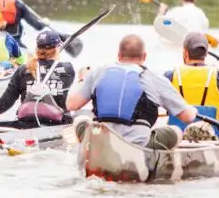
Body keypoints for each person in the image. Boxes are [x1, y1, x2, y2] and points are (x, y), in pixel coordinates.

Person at [66, 34, 198, 150]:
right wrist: (193, 110)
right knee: (175, 131)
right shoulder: (155, 78)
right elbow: (187, 117)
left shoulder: (98, 72)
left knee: (81, 120)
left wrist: (82, 79)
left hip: (100, 138)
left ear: (119, 56)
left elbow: (71, 105)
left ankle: (94, 149)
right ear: (144, 56)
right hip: (138, 145)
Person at [0, 30, 76, 127]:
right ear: (58, 48)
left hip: (27, 123)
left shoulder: (24, 69)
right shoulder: (68, 69)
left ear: (37, 48)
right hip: (58, 123)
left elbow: (8, 99)